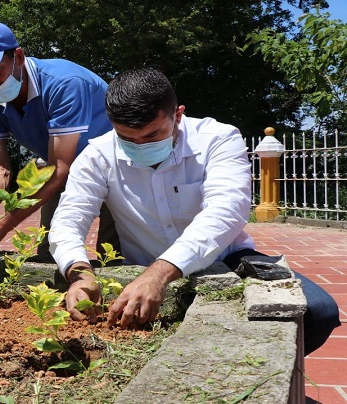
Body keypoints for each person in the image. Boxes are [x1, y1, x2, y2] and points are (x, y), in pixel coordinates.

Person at [49, 68, 340, 355]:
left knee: (319, 311)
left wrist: (159, 275)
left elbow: (226, 211)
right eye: (127, 138)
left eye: (152, 136)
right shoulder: (97, 154)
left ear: (178, 115)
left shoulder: (217, 139)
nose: (139, 146)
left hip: (226, 259)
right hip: (137, 266)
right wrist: (80, 274)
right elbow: (69, 218)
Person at [0, 20, 117, 259]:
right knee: (50, 253)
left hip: (116, 169)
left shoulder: (64, 83)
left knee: (114, 256)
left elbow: (60, 168)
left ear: (18, 56)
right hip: (56, 168)